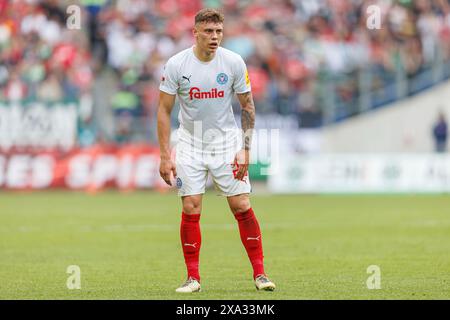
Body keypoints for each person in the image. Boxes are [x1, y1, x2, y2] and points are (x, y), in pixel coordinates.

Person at [157, 8, 275, 293]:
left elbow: (247, 105)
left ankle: (260, 275)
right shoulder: (177, 64)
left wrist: (245, 149)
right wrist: (164, 155)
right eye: (208, 32)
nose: (214, 37)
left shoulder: (233, 62)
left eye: (219, 32)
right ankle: (192, 278)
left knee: (241, 205)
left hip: (226, 143)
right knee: (191, 206)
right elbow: (163, 109)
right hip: (189, 143)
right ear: (195, 33)